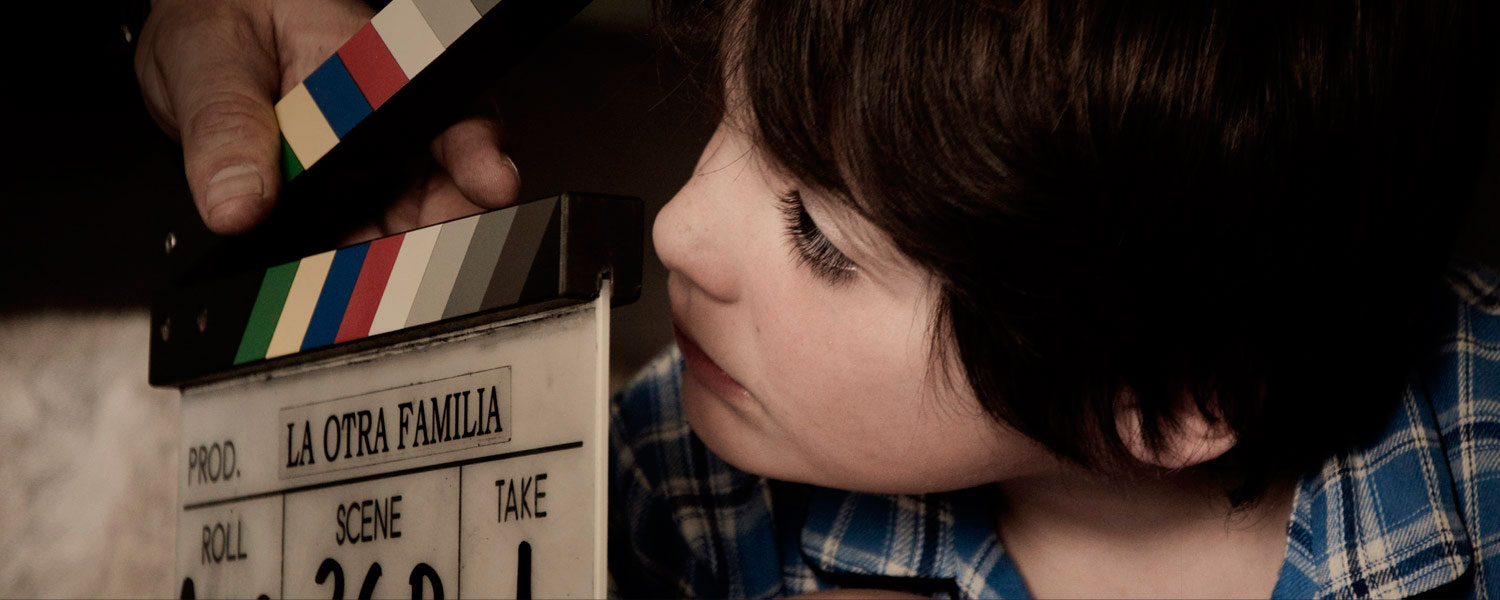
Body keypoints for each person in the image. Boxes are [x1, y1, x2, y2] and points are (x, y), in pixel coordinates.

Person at [137, 0, 1500, 597]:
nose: (677, 225)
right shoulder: (666, 488)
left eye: (822, 238)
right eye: (727, 114)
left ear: (1162, 396)